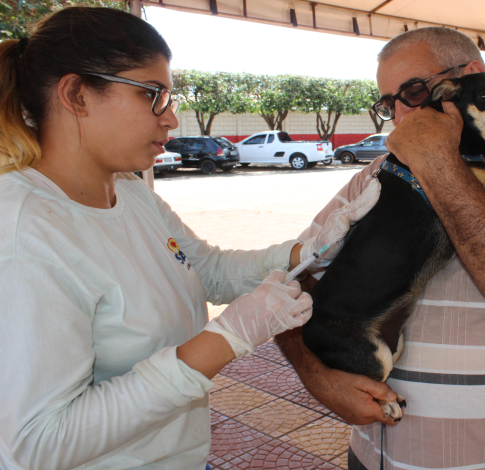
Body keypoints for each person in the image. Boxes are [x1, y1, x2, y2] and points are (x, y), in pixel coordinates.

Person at [0, 7, 379, 470]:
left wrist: (315, 249)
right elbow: (39, 442)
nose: (172, 120)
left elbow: (207, 270)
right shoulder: (25, 232)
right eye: (152, 95)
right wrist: (225, 339)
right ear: (77, 94)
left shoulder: (131, 193)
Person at [277, 27, 485, 469]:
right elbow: (289, 280)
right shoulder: (377, 174)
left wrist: (437, 160)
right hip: (373, 456)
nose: (399, 114)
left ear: (471, 76)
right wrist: (317, 377)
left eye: (412, 92)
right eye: (387, 103)